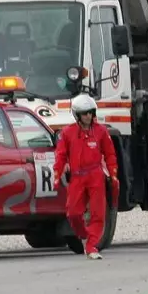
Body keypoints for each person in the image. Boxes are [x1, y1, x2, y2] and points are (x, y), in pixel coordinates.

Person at [53, 94, 118, 260]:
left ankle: (91, 246)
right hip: (77, 177)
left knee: (98, 214)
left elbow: (110, 154)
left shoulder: (101, 132)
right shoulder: (67, 133)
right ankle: (85, 235)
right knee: (73, 214)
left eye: (90, 112)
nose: (88, 116)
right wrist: (57, 173)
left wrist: (113, 173)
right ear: (77, 115)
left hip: (96, 175)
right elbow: (60, 155)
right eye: (84, 113)